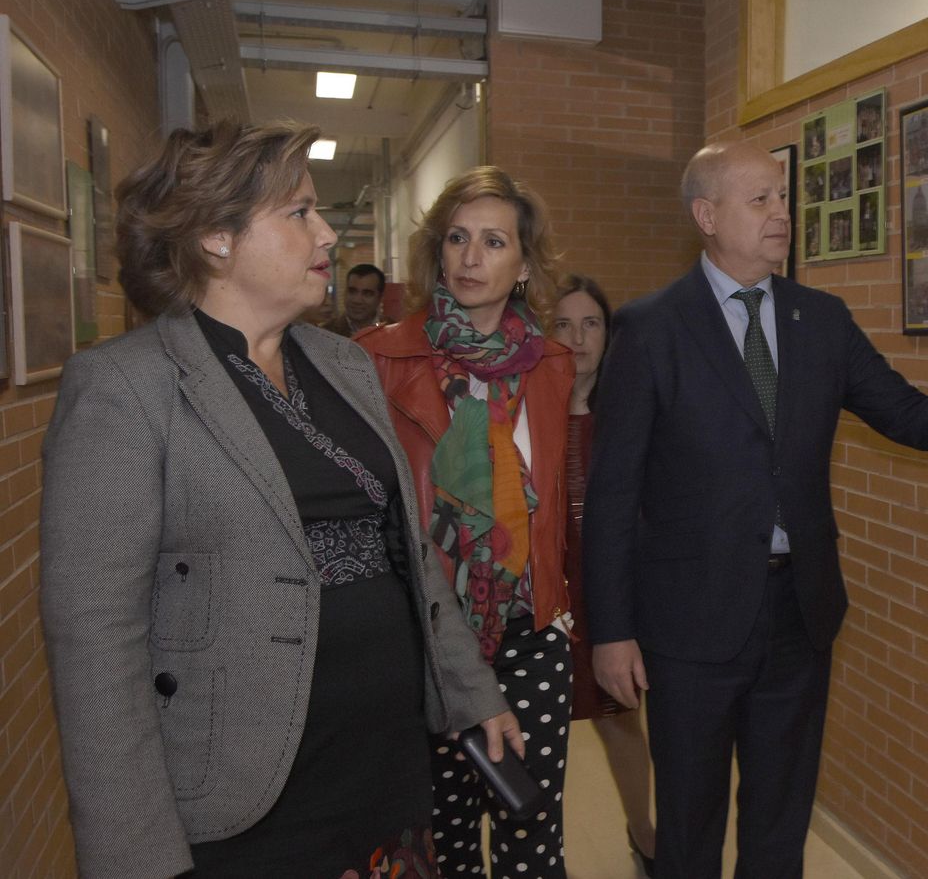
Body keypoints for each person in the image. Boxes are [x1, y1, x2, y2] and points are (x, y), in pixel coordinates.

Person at [583, 140, 928, 878]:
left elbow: (908, 414)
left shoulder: (821, 320)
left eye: (782, 196)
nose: (781, 213)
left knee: (780, 824)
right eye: (760, 199)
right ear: (706, 215)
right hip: (689, 622)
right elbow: (612, 493)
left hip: (798, 615)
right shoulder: (651, 328)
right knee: (690, 825)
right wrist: (611, 632)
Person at [38, 121, 521, 879]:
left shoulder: (341, 364)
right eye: (299, 212)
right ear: (215, 238)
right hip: (246, 801)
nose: (326, 232)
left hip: (384, 770)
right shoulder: (126, 387)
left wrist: (469, 690)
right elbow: (95, 642)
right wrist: (134, 856)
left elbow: (409, 552)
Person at [357, 165, 576, 878]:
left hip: (529, 637)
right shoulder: (378, 360)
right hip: (428, 645)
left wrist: (563, 606)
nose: (471, 257)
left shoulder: (552, 367)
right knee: (444, 841)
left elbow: (554, 504)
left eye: (494, 241)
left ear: (524, 265)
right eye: (457, 238)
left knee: (531, 834)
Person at [549, 275, 658, 876]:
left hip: (611, 596)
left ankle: (646, 837)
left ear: (608, 334)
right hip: (546, 599)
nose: (577, 338)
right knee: (539, 738)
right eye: (562, 325)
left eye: (590, 323)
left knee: (621, 723)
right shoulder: (523, 414)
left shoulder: (629, 412)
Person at [321, 262, 388, 337]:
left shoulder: (394, 330)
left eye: (367, 294)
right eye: (352, 291)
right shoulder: (325, 334)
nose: (357, 300)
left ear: (380, 298)